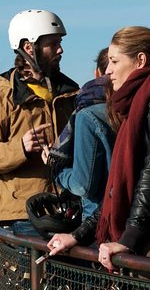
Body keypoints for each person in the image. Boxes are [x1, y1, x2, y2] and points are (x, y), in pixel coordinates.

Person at [47, 26, 150, 272]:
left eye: (115, 61)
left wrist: (128, 238)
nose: (108, 71)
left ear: (140, 60)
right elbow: (118, 189)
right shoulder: (140, 102)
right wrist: (78, 236)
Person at [0, 9, 79, 236]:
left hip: (66, 209)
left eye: (59, 43)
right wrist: (20, 147)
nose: (60, 50)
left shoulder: (70, 93)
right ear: (29, 47)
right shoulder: (4, 98)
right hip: (23, 214)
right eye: (52, 44)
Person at [50, 47, 116, 219]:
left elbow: (82, 185)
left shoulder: (87, 115)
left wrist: (59, 172)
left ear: (97, 73)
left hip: (98, 219)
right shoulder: (141, 106)